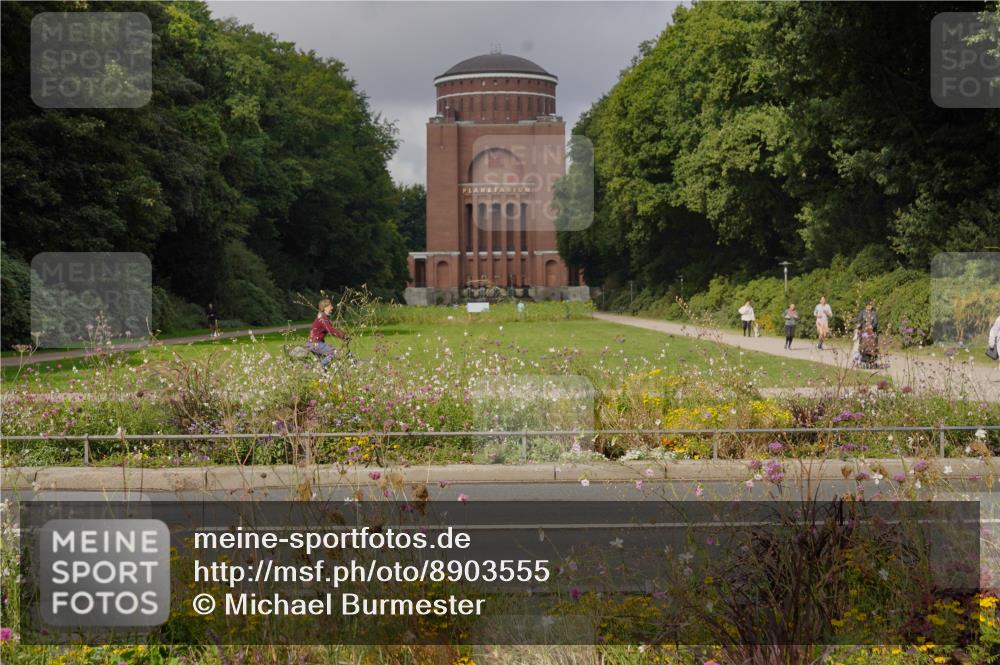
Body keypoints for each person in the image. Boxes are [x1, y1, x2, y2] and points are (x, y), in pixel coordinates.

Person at [307, 298, 350, 368]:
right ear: (325, 308)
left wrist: (343, 334)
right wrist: (343, 336)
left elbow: (332, 328)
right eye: (330, 306)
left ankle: (321, 373)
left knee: (326, 364)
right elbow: (330, 330)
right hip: (315, 344)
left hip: (313, 343)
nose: (332, 307)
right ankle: (318, 368)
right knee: (333, 353)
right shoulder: (322, 318)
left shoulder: (322, 317)